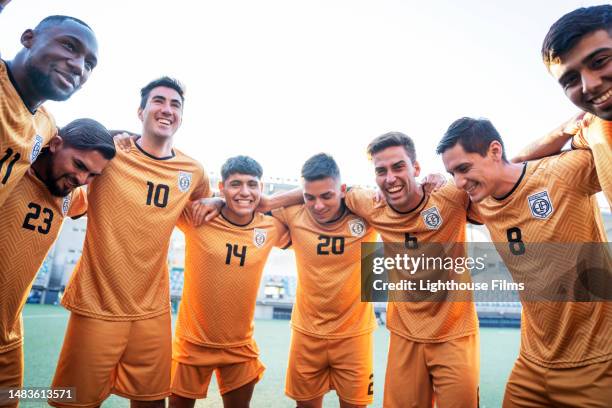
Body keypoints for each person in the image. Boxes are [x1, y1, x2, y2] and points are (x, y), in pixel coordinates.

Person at [49, 77, 211, 408]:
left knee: (152, 401)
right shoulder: (110, 155)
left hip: (152, 311)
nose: (167, 109)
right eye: (158, 101)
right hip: (98, 303)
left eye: (175, 104)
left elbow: (201, 209)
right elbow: (64, 154)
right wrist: (108, 134)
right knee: (75, 402)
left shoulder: (193, 171)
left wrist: (220, 203)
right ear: (140, 111)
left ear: (181, 116)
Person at [438, 117, 611, 408]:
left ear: (494, 151)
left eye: (464, 168)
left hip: (596, 362)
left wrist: (566, 130)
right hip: (532, 366)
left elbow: (594, 134)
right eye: (452, 172)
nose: (458, 182)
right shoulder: (480, 201)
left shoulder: (563, 172)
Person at [343, 133, 479, 408]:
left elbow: (493, 178)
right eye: (381, 171)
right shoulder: (372, 204)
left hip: (454, 332)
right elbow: (335, 190)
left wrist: (444, 178)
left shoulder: (450, 196)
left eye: (398, 167)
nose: (390, 178)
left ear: (416, 169)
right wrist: (267, 203)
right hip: (405, 335)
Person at [0, 118, 114, 407]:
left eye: (92, 174)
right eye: (78, 165)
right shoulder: (12, 170)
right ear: (55, 143)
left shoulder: (69, 195)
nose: (82, 179)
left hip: (8, 337)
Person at [169, 155, 290, 408]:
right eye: (235, 184)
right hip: (192, 344)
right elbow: (167, 183)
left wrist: (270, 202)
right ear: (222, 187)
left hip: (240, 347)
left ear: (262, 188)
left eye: (252, 184)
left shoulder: (271, 228)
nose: (244, 192)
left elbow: (315, 193)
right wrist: (213, 198)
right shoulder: (197, 215)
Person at [273, 153, 377, 408]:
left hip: (354, 336)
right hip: (306, 335)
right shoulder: (294, 214)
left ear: (342, 190)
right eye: (310, 197)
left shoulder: (365, 214)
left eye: (327, 196)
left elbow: (397, 200)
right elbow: (254, 204)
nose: (318, 205)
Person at [513, 5, 611, 206]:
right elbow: (516, 164)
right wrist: (565, 129)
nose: (589, 85)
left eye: (600, 61)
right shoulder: (596, 128)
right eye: (571, 80)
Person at [1, 11, 98, 207]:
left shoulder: (46, 127)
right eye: (69, 46)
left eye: (89, 64)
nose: (80, 67)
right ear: (29, 38)